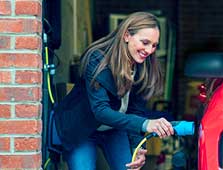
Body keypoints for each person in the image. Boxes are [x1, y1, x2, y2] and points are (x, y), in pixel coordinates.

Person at [53, 11, 174, 170]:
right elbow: (101, 111)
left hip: (114, 129)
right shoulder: (97, 59)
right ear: (126, 36)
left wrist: (138, 149)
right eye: (145, 42)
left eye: (154, 45)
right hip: (82, 129)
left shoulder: (143, 66)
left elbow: (135, 110)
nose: (150, 50)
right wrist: (146, 124)